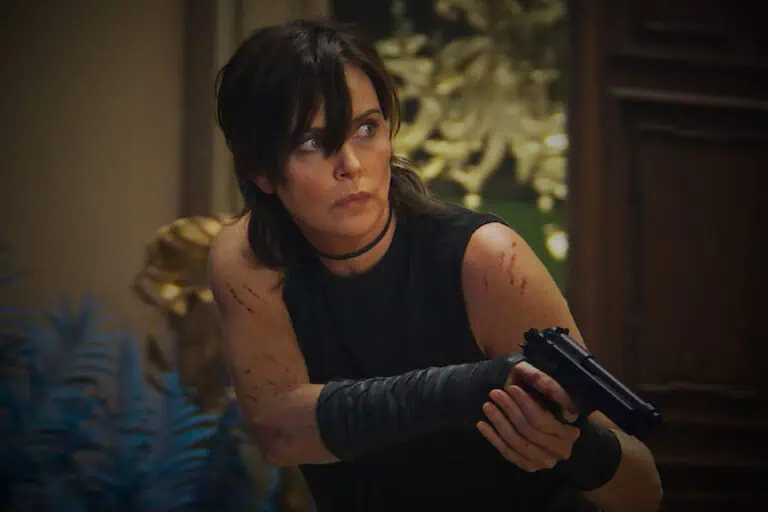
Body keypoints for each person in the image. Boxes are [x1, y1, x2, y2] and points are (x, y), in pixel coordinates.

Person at [208, 18, 662, 512]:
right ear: (260, 171)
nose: (351, 165)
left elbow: (642, 489)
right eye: (312, 143)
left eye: (366, 129)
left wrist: (579, 448)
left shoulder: (487, 258)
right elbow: (280, 432)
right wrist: (470, 387)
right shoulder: (251, 255)